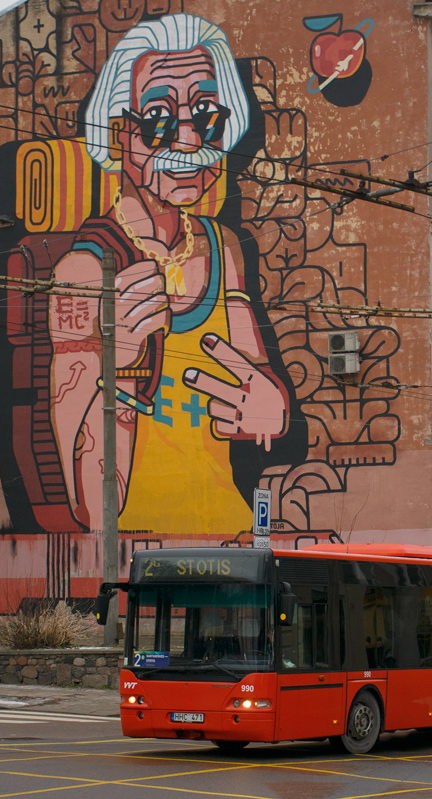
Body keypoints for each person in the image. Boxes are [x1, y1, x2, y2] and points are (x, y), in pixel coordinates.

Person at [48, 14, 291, 533]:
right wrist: (122, 366)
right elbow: (90, 506)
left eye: (204, 113)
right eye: (157, 116)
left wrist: (271, 410)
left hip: (233, 541)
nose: (186, 138)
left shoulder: (223, 249)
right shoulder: (85, 270)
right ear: (116, 133)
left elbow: (255, 375)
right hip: (141, 561)